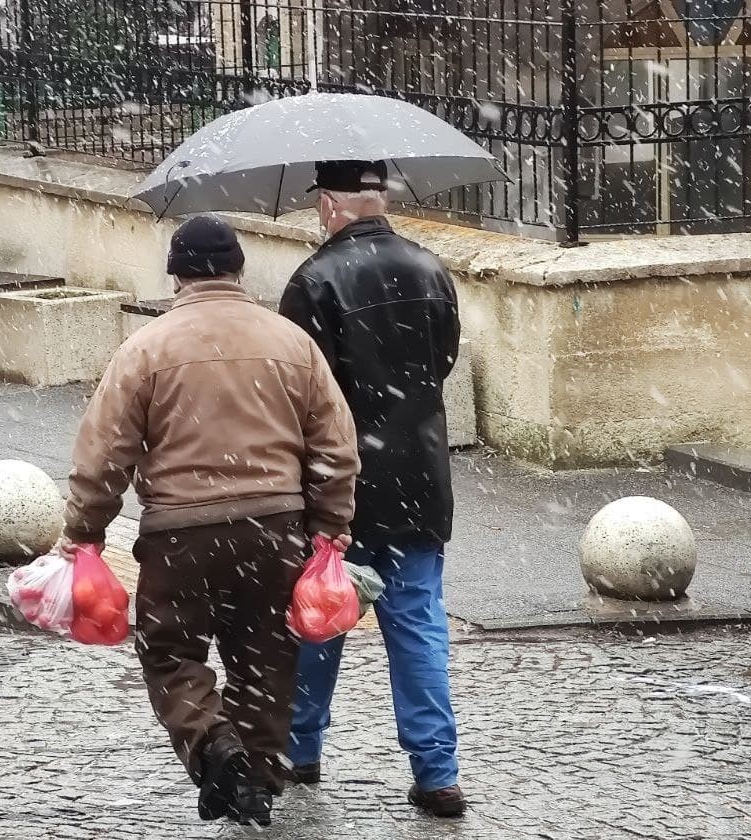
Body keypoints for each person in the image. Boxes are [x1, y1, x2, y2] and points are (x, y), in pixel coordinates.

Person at [59, 214, 360, 827]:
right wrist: (329, 524)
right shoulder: (291, 343)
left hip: (180, 535)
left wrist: (84, 531)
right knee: (266, 657)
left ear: (176, 275)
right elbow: (336, 447)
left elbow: (104, 453)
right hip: (275, 529)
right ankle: (257, 779)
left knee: (169, 649)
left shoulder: (145, 349)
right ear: (239, 270)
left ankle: (214, 746)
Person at [279, 160, 466, 818]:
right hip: (419, 478)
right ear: (379, 198)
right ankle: (438, 772)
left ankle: (298, 750)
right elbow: (442, 363)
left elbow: (299, 396)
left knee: (320, 620)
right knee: (416, 627)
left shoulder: (312, 282)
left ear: (329, 204)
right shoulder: (430, 269)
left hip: (342, 486)